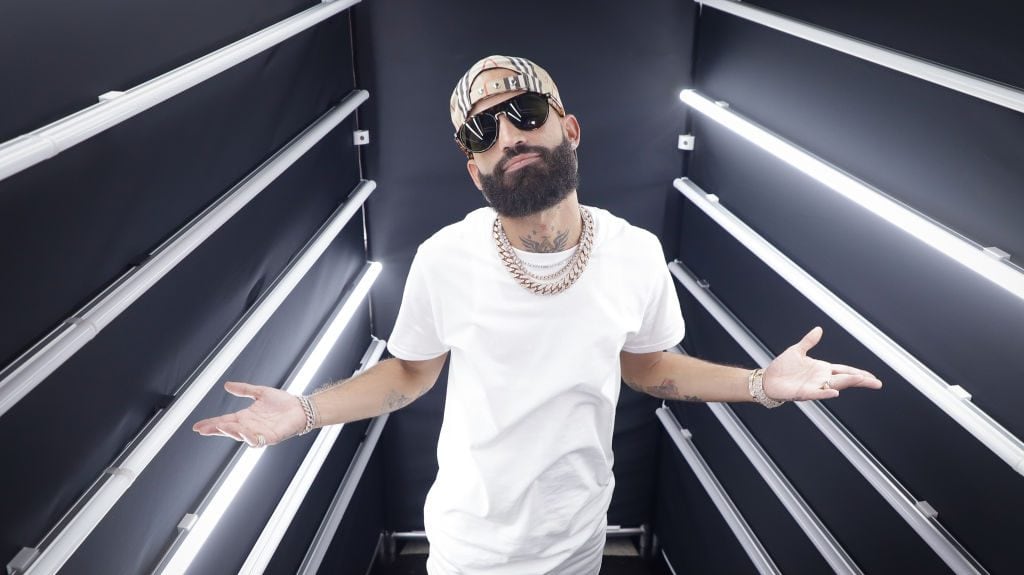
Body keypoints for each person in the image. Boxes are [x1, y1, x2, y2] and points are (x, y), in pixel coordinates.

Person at [193, 55, 883, 574]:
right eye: (482, 130)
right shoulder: (445, 258)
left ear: (569, 128)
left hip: (577, 538)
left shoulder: (634, 253)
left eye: (525, 112)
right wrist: (304, 411)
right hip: (468, 546)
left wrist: (761, 384)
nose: (508, 135)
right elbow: (408, 374)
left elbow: (649, 367)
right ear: (475, 169)